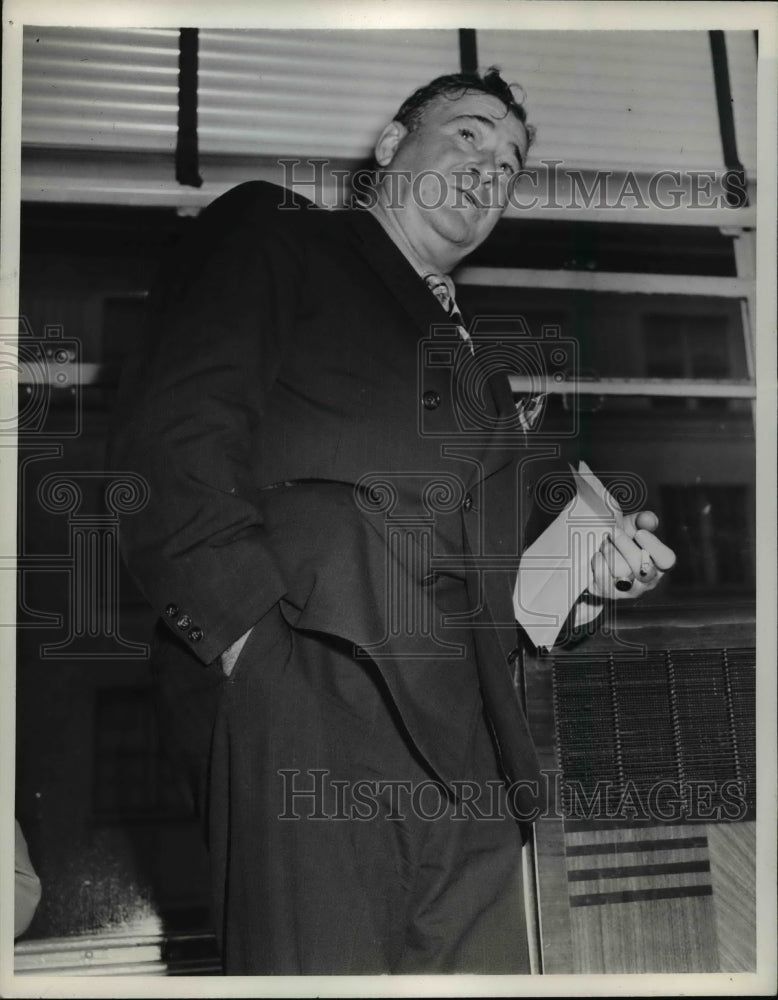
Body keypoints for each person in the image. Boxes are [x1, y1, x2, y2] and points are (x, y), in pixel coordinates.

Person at [110, 68, 675, 975]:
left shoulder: (481, 373)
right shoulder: (281, 234)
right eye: (468, 137)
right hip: (311, 692)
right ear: (387, 149)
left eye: (511, 162)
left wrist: (586, 572)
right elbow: (177, 434)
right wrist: (248, 642)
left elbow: (498, 580)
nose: (492, 168)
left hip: (473, 750)